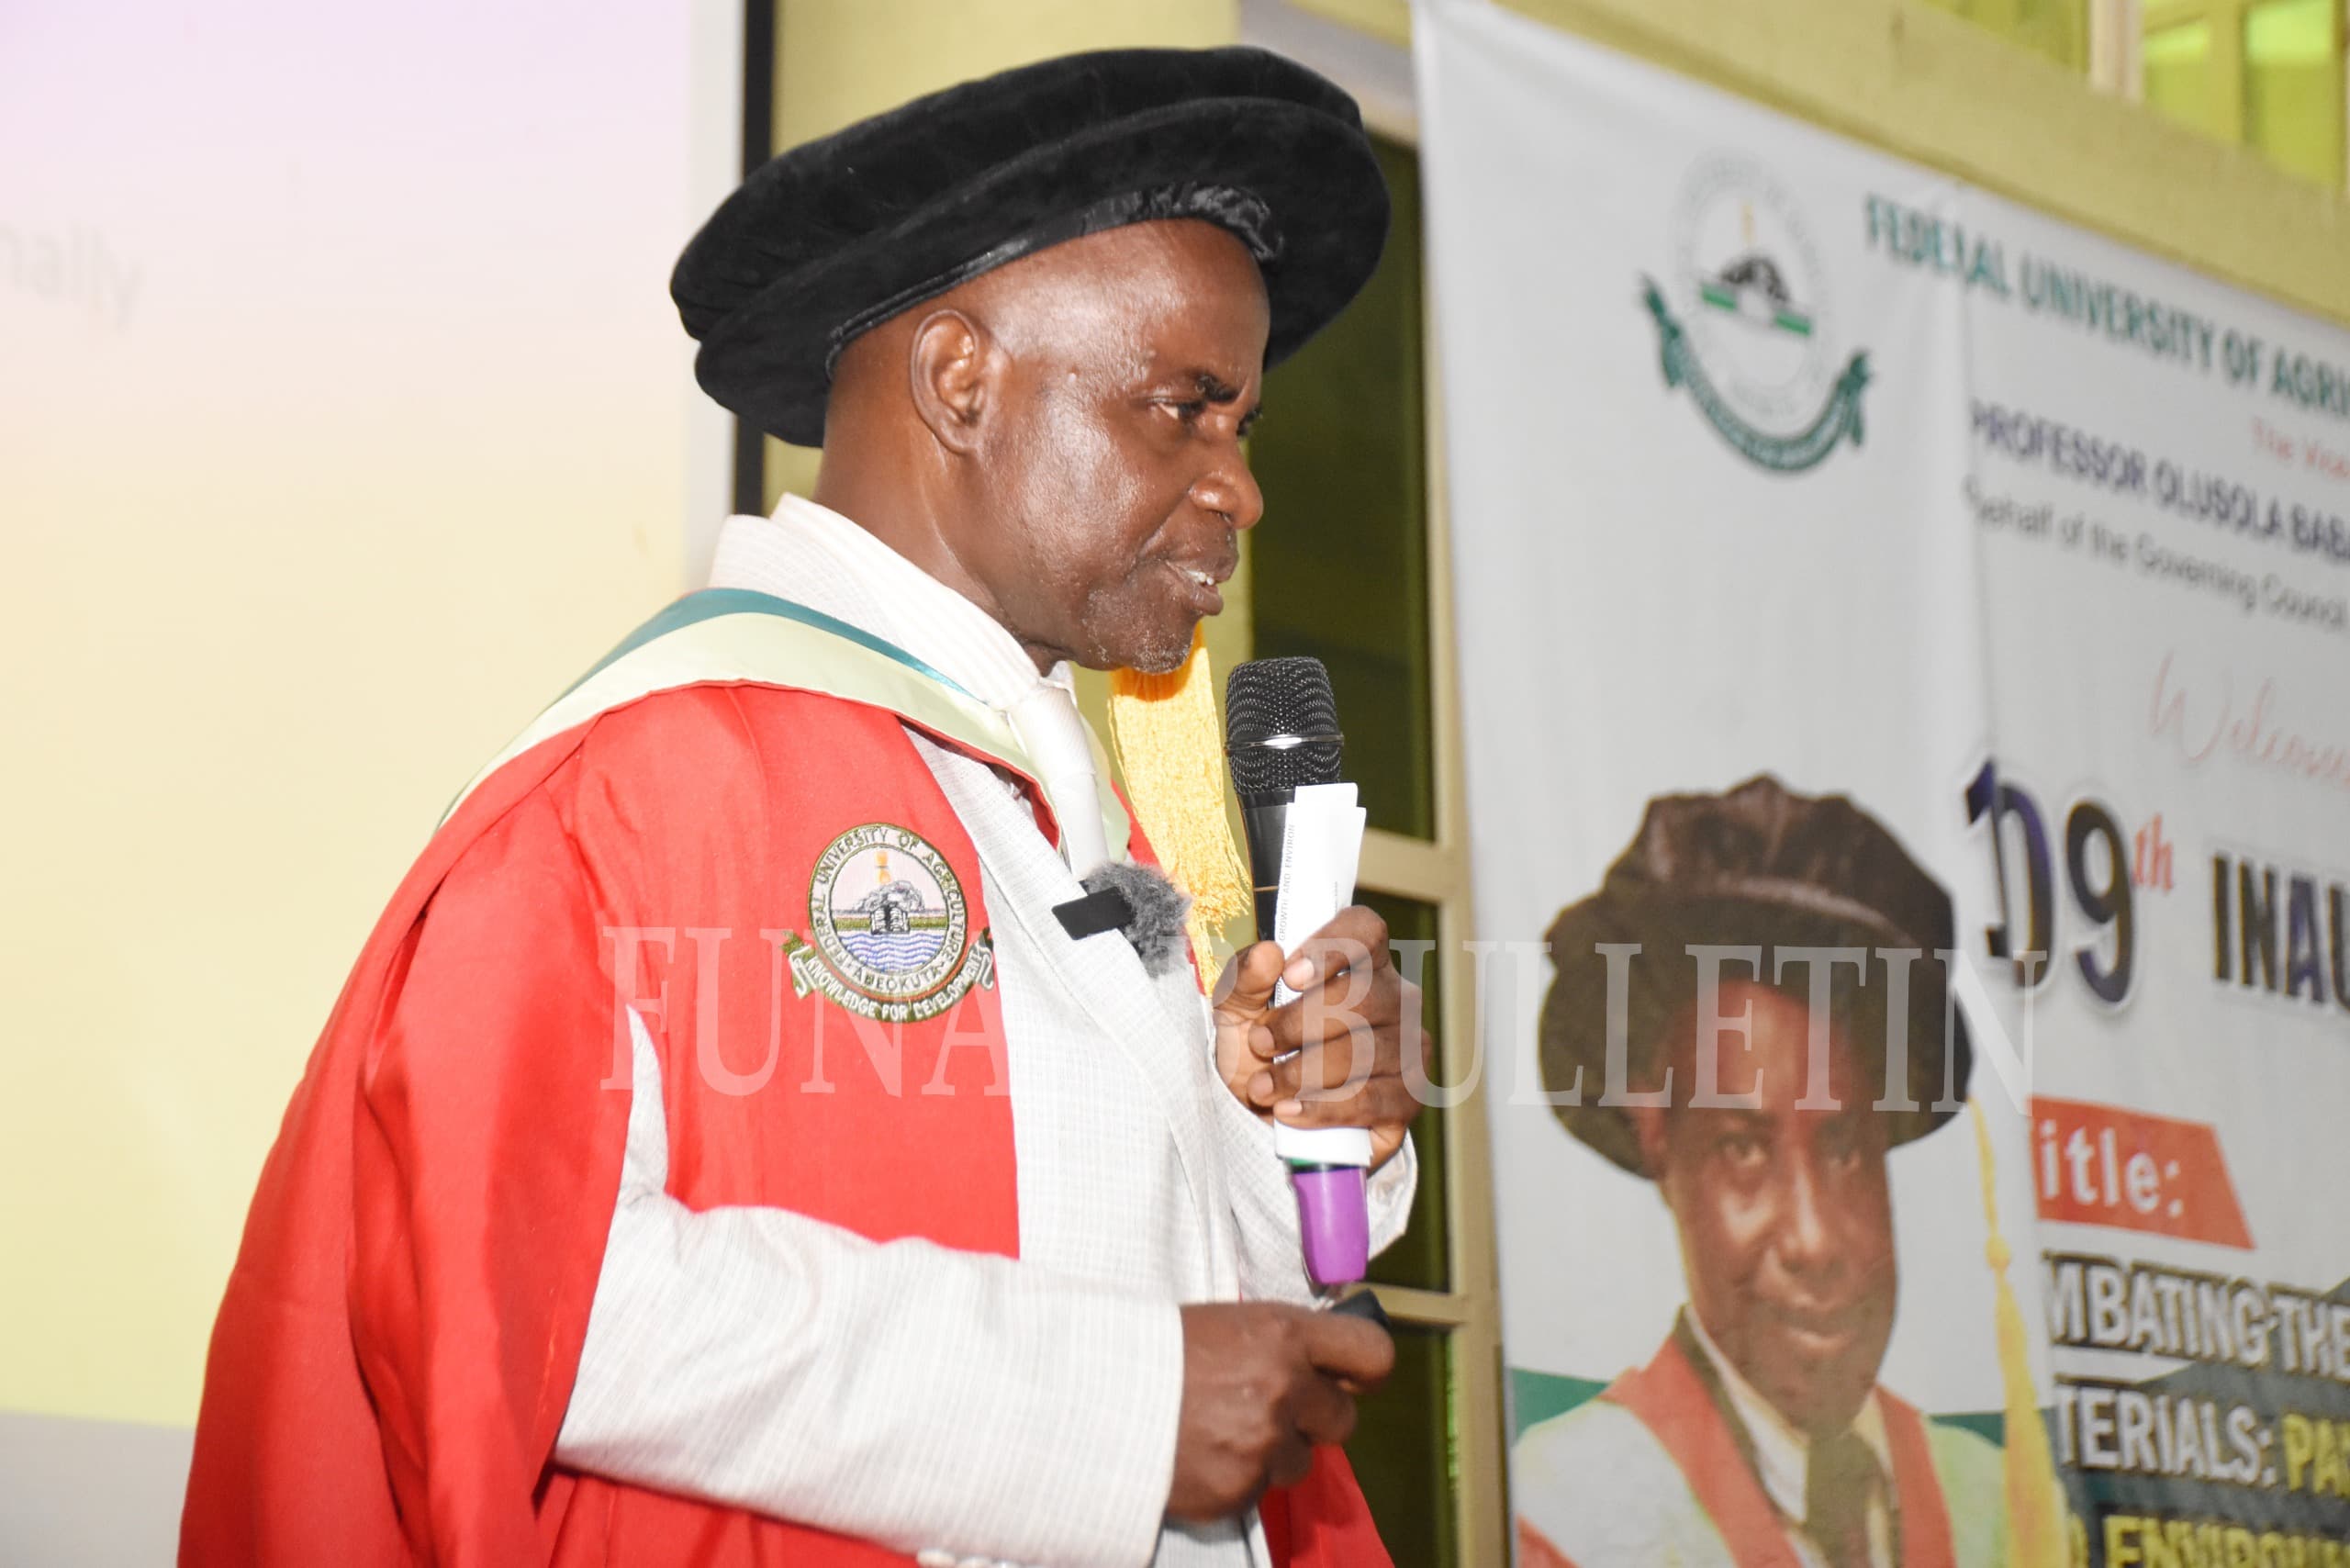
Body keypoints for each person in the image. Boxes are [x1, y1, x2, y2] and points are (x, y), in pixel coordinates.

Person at [180, 47, 1427, 1568]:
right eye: (1187, 409)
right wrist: (1115, 1405)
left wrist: (1282, 1129)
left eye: (1242, 427)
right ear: (963, 382)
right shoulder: (638, 792)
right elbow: (513, 1299)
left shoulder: (1065, 819)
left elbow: (1173, 1303)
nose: (1241, 489)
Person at [1513, 776, 2008, 1568]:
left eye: (1846, 1150)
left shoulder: (1998, 1506)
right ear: (1658, 1144)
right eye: (1743, 1149)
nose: (1814, 1239)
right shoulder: (1571, 1514)